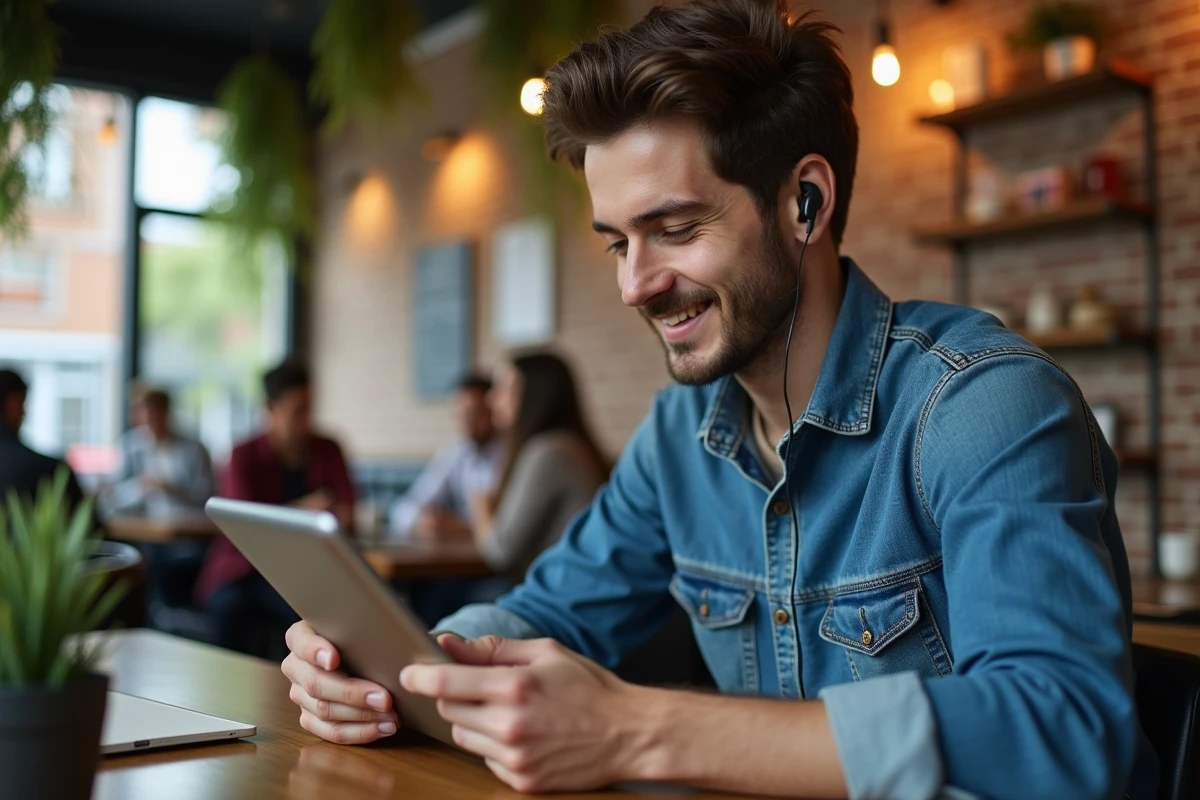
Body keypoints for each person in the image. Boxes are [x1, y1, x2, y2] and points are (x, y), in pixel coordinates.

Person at [280, 3, 1157, 799]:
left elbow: (1062, 733)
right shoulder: (680, 434)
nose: (635, 285)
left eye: (675, 229)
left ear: (805, 201)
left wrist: (635, 729)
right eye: (617, 242)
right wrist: (393, 673)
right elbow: (544, 614)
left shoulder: (985, 405)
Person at [407, 353, 609, 627]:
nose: (492, 400)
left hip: (559, 600)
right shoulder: (565, 445)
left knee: (440, 597)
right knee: (439, 591)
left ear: (534, 395)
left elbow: (500, 552)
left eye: (503, 389)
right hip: (560, 589)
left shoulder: (549, 452)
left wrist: (481, 506)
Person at [196, 360, 356, 655]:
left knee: (325, 620)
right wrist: (305, 511)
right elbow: (245, 527)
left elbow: (347, 512)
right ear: (270, 408)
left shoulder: (328, 449)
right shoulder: (243, 455)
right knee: (228, 607)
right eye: (297, 411)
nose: (306, 420)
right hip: (245, 570)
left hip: (310, 572)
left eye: (310, 409)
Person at [387, 373, 503, 541]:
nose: (467, 421)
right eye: (461, 414)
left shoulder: (512, 452)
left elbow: (507, 526)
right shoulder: (458, 452)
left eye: (474, 413)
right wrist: (423, 520)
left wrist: (463, 527)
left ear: (494, 410)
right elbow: (403, 509)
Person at [103, 387, 214, 516]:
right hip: (138, 521)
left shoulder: (194, 450)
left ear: (167, 413)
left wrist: (170, 488)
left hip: (185, 522)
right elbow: (113, 494)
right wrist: (139, 486)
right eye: (145, 414)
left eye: (155, 413)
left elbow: (206, 496)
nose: (150, 419)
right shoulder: (129, 446)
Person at [0, 368, 88, 512]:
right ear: (12, 403)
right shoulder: (50, 471)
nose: (24, 413)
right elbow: (86, 521)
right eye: (23, 404)